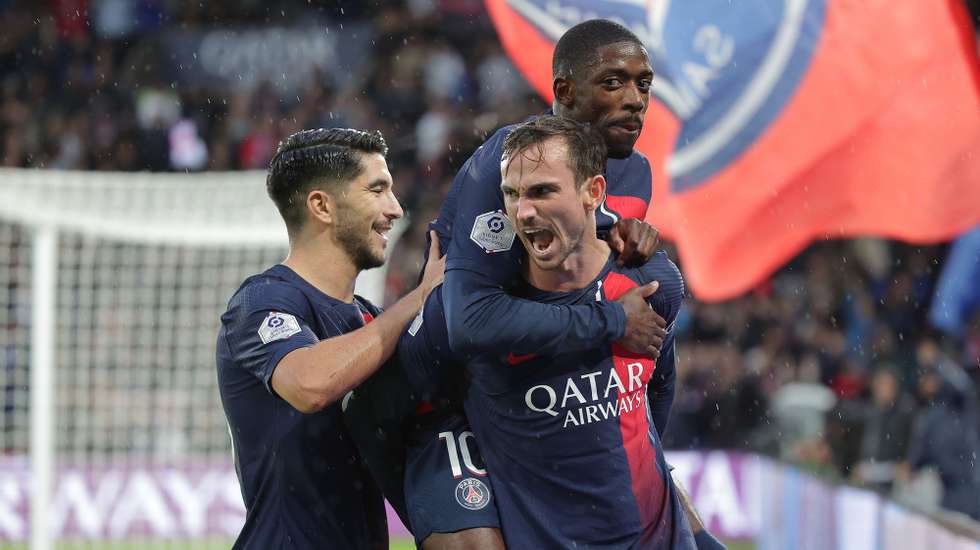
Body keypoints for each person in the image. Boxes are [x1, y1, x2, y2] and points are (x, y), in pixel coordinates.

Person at [346, 18, 665, 549]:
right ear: (564, 92)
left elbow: (632, 299)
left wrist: (631, 252)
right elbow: (469, 324)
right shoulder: (507, 164)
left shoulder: (635, 175)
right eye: (613, 82)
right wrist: (612, 318)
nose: (635, 99)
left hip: (528, 392)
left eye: (643, 84)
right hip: (440, 402)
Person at [215, 127, 445, 549]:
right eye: (377, 190)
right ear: (322, 205)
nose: (395, 209)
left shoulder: (369, 319)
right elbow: (310, 384)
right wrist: (420, 298)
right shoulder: (261, 302)